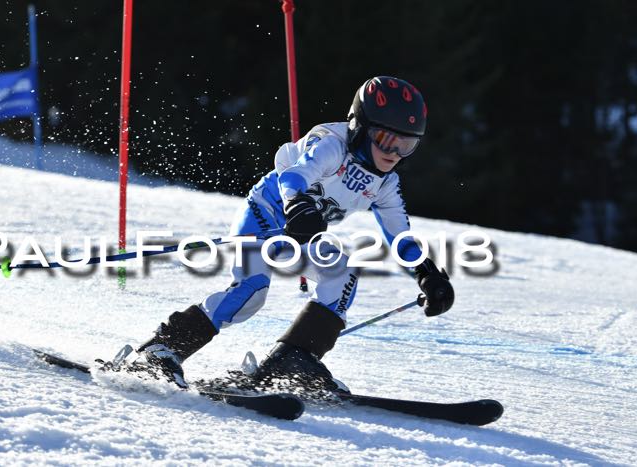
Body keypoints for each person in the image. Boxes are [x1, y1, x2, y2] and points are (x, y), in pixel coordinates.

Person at [125, 76, 454, 393]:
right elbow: (294, 177)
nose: (394, 153)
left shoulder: (385, 183)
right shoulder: (331, 145)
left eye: (407, 145)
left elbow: (400, 236)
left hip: (302, 233)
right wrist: (297, 204)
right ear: (360, 126)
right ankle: (160, 350)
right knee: (251, 294)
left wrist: (425, 272)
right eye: (386, 139)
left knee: (342, 272)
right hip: (266, 216)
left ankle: (293, 358)